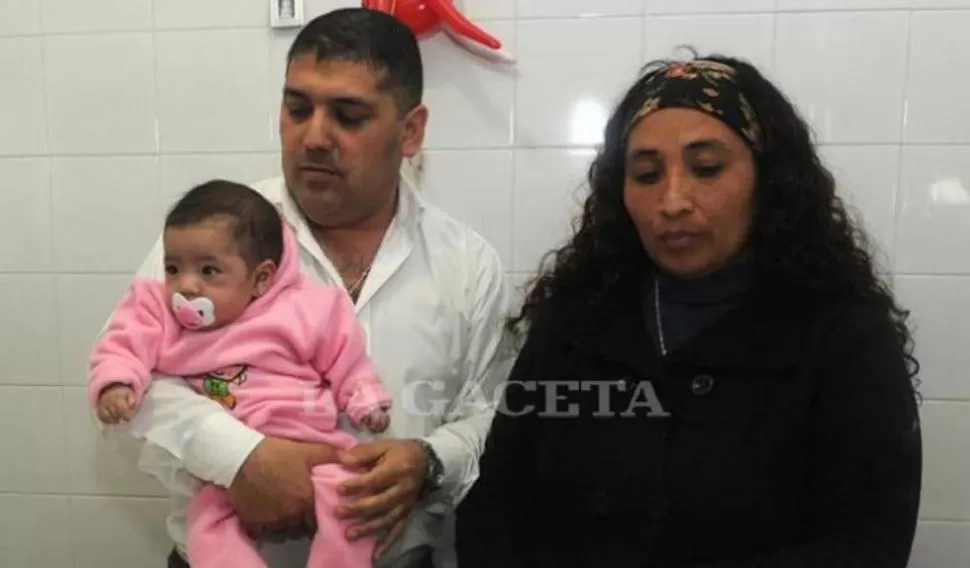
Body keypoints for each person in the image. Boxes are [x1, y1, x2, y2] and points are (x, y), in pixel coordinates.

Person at [455, 55, 923, 567]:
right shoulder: (574, 320)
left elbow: (868, 544)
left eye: (706, 169)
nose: (673, 201)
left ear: (767, 179)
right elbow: (496, 503)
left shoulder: (842, 336)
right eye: (647, 174)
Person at [101, 8, 512, 568]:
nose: (314, 137)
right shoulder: (210, 239)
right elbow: (125, 381)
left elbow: (490, 414)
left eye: (348, 115)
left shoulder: (467, 265)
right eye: (298, 109)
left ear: (410, 130)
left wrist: (429, 461)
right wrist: (240, 457)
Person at [89, 180, 393, 568]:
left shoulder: (307, 307)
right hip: (225, 473)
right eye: (172, 268)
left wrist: (365, 398)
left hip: (314, 444)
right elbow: (124, 340)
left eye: (209, 270)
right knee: (209, 525)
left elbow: (346, 359)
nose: (186, 285)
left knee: (349, 505)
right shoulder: (158, 309)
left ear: (261, 278)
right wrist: (117, 380)